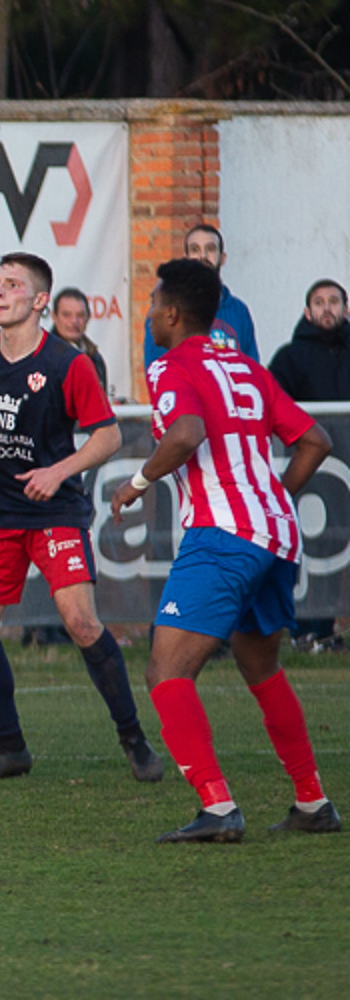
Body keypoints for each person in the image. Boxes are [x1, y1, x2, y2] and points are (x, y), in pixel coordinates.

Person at [108, 258, 338, 843]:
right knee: (261, 668)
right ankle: (312, 802)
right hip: (275, 533)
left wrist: (136, 484)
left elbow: (185, 434)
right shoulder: (246, 367)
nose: (149, 312)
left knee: (166, 671)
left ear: (173, 314)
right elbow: (316, 440)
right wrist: (272, 499)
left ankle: (216, 807)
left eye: (154, 301)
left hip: (224, 534)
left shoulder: (169, 366)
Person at [0, 252, 161, 784]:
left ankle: (133, 737)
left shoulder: (66, 363)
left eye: (12, 285)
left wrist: (59, 472)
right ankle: (10, 748)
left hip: (54, 510)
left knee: (81, 622)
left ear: (39, 301)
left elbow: (106, 435)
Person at [267, 278, 349, 646]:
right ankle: (308, 630)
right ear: (306, 311)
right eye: (319, 302)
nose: (327, 308)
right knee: (315, 547)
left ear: (346, 310)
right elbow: (272, 404)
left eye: (334, 301)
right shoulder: (289, 357)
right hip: (315, 473)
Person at [142, 224, 258, 367]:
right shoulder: (167, 311)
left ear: (222, 258)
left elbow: (253, 371)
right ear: (186, 258)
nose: (203, 256)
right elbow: (157, 371)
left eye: (210, 249)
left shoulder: (239, 311)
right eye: (195, 250)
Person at [52, 287, 110, 401]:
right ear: (54, 317)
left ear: (88, 318)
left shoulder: (94, 357)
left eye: (80, 315)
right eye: (66, 315)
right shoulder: (45, 357)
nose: (74, 321)